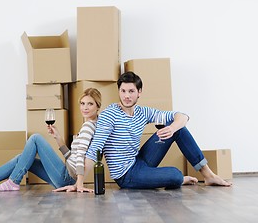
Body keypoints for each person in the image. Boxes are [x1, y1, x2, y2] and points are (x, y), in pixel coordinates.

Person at [82, 71, 232, 190]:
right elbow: (95, 148)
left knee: (178, 129)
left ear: (139, 92)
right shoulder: (110, 114)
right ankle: (178, 179)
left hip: (139, 160)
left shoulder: (143, 112)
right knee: (175, 175)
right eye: (123, 91)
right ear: (119, 91)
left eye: (131, 91)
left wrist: (172, 128)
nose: (126, 96)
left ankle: (208, 175)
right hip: (126, 175)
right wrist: (79, 182)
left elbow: (182, 116)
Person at [0, 88, 102, 192]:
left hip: (68, 177)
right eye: (82, 103)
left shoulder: (89, 126)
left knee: (36, 138)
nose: (85, 107)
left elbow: (81, 156)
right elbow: (73, 157)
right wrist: (58, 139)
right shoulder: (91, 125)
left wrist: (79, 183)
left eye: (90, 104)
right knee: (22, 159)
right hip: (67, 176)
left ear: (97, 106)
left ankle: (13, 181)